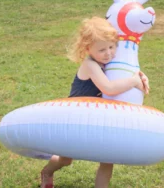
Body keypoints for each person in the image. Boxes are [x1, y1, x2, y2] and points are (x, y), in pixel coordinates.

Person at [40, 17, 150, 188]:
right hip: (76, 116)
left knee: (107, 159)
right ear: (87, 49)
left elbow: (125, 70)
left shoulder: (110, 60)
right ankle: (47, 172)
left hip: (98, 116)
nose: (108, 53)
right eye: (102, 50)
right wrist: (134, 82)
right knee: (66, 159)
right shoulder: (90, 64)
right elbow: (109, 88)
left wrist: (141, 77)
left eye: (112, 47)